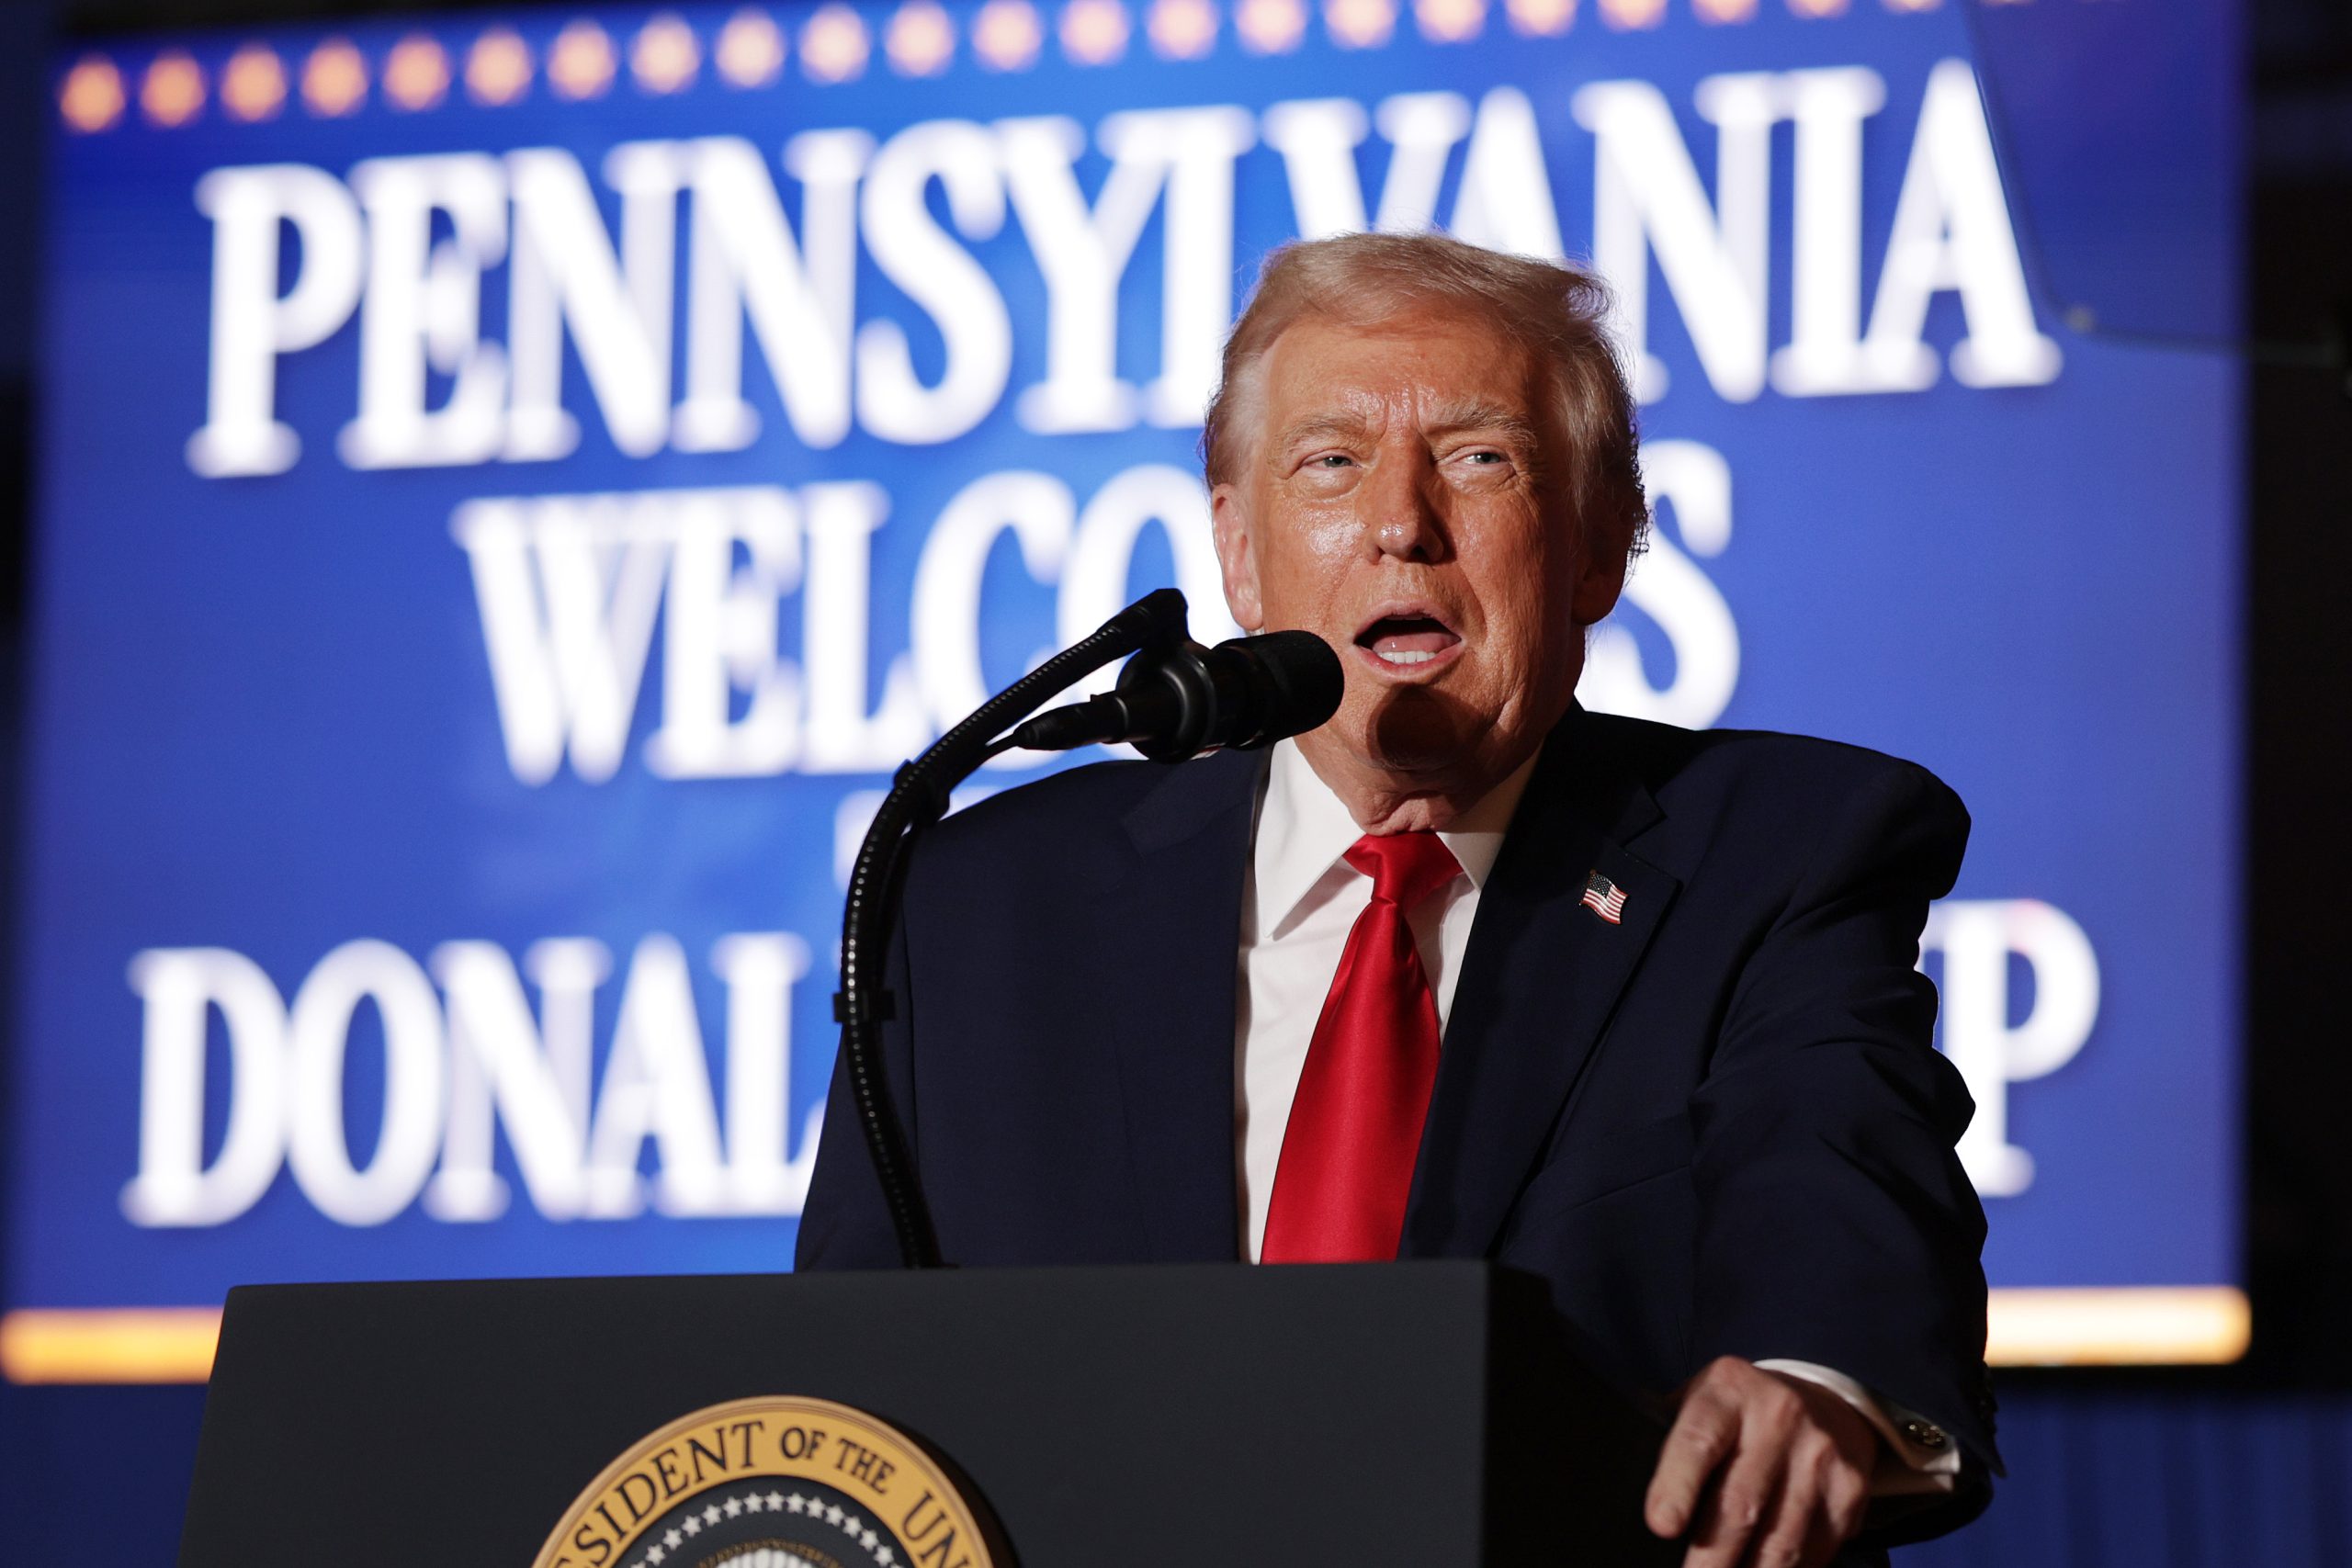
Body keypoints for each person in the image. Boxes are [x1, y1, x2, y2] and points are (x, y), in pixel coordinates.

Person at [798, 231, 1996, 1567]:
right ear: (1239, 553)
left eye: (1480, 459)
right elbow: (836, 1400)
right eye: (1331, 462)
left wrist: (1816, 1382)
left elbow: (1834, 1163)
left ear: (1602, 547)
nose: (1400, 524)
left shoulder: (1774, 857)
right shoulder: (980, 910)